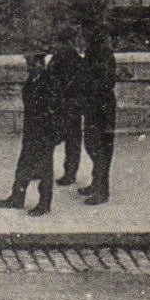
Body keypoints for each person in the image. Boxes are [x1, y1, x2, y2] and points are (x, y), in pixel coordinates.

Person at [0, 49, 58, 216]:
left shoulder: (48, 82)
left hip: (44, 132)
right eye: (28, 64)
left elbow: (54, 110)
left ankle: (44, 204)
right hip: (31, 131)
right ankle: (17, 197)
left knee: (45, 169)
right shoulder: (32, 80)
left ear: (41, 64)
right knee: (23, 165)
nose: (29, 68)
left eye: (32, 64)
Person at [76, 26, 118, 205]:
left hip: (101, 107)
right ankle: (96, 183)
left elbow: (106, 81)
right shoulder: (94, 52)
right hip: (94, 106)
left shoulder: (102, 53)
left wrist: (88, 91)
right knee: (92, 145)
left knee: (100, 148)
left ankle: (102, 190)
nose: (80, 38)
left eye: (82, 34)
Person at [47, 31, 85, 189]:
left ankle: (67, 173)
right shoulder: (73, 57)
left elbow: (54, 79)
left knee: (60, 139)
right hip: (70, 105)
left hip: (65, 105)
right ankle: (69, 173)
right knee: (71, 142)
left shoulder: (64, 57)